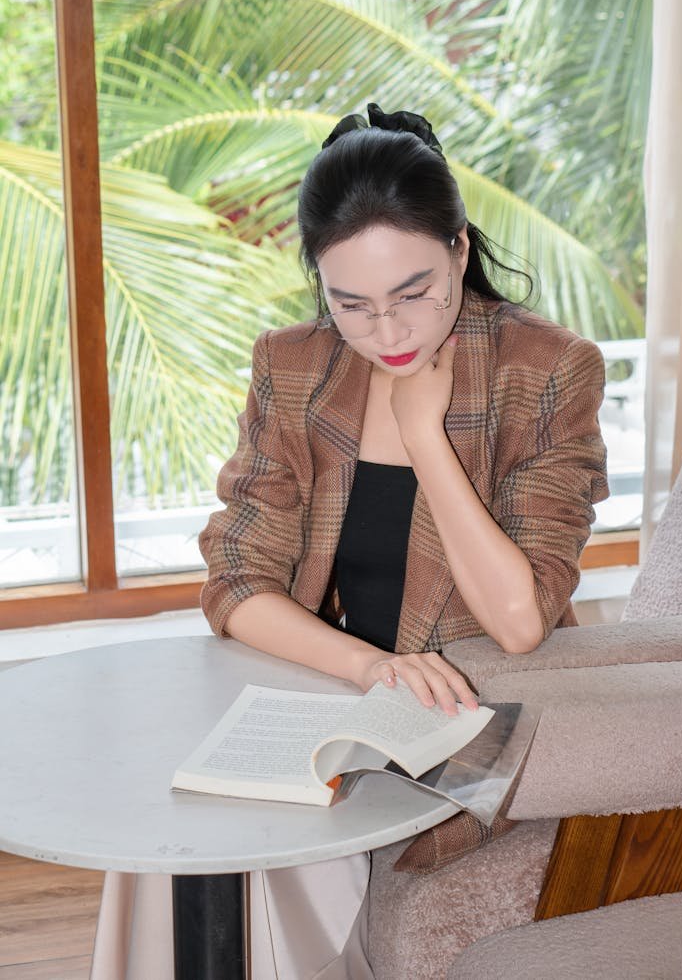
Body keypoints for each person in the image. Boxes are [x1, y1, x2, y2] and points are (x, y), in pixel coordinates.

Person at [89, 104, 608, 980]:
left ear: (458, 248)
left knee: (271, 855)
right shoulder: (293, 366)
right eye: (352, 305)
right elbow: (235, 582)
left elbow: (520, 620)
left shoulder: (549, 370)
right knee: (173, 838)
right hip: (326, 698)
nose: (390, 333)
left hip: (463, 720)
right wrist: (367, 669)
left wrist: (424, 436)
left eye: (414, 294)